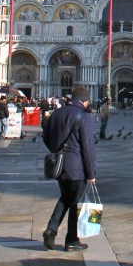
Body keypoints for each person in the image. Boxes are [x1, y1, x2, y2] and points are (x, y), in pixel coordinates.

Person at [42, 85, 97, 252]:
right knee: (75, 203)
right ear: (84, 100)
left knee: (66, 197)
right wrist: (91, 173)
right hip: (76, 167)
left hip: (59, 165)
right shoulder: (83, 116)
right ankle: (72, 240)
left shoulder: (57, 113)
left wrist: (56, 151)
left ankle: (51, 230)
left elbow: (46, 136)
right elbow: (87, 147)